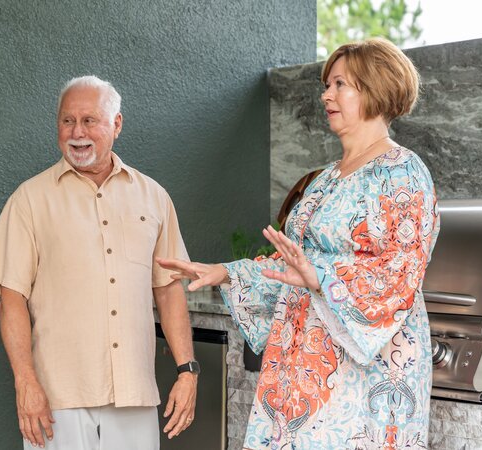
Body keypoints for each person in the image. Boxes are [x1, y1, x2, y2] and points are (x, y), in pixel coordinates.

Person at [158, 38, 439, 449]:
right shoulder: (325, 178)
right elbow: (295, 265)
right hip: (300, 359)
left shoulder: (402, 172)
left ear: (374, 89)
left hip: (362, 371)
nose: (326, 95)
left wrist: (320, 277)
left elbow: (400, 270)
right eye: (327, 85)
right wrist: (227, 273)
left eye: (340, 84)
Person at [0, 75, 199, 449]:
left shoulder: (154, 197)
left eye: (89, 120)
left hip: (134, 392)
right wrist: (25, 382)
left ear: (116, 124)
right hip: (56, 398)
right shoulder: (28, 200)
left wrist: (187, 371)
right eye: (67, 121)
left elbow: (168, 290)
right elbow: (11, 299)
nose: (77, 132)